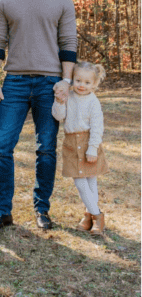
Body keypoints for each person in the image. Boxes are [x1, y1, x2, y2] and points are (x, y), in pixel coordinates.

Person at [0, 0, 77, 232]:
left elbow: (68, 43)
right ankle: (3, 211)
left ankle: (42, 209)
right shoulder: (5, 0)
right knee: (1, 149)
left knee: (46, 150)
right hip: (15, 82)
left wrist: (66, 80)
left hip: (51, 84)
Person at [52, 61, 108, 236]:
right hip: (71, 143)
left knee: (90, 180)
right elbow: (58, 116)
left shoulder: (93, 101)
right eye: (78, 81)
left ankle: (95, 216)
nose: (81, 86)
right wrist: (59, 102)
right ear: (72, 80)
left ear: (94, 84)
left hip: (88, 142)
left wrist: (92, 148)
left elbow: (97, 127)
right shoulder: (69, 96)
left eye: (87, 82)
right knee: (79, 179)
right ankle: (92, 215)